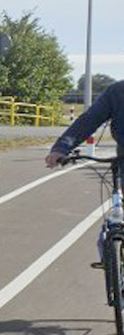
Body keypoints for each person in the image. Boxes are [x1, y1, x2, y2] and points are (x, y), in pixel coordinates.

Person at [45, 80, 124, 268]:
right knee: (114, 224)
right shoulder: (117, 92)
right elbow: (89, 120)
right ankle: (113, 264)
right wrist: (61, 148)